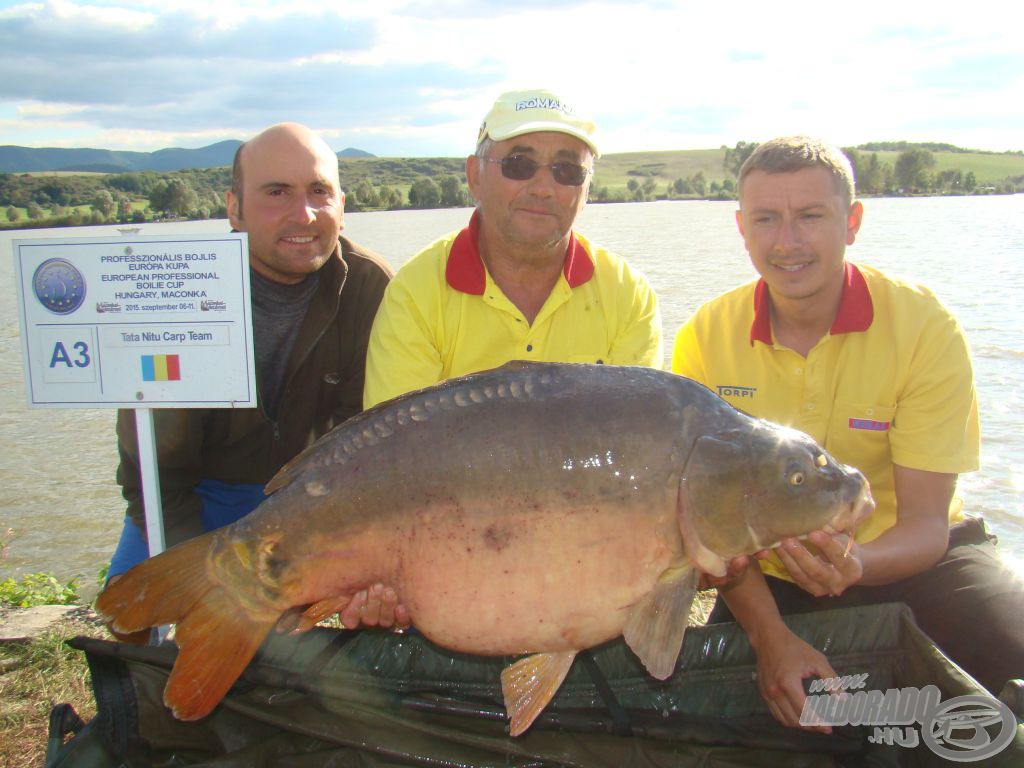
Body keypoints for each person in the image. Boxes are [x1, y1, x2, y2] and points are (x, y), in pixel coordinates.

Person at [672, 135, 1024, 731]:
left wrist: (858, 564)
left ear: (852, 221)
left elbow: (926, 525)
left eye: (810, 216)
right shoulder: (707, 335)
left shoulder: (923, 327)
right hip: (769, 576)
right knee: (736, 718)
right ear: (741, 227)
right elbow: (711, 528)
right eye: (767, 219)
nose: (787, 242)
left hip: (915, 558)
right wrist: (770, 637)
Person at [109, 122, 398, 629]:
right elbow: (155, 469)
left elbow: (377, 449)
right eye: (276, 193)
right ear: (234, 208)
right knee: (129, 618)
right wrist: (204, 589)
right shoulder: (177, 294)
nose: (303, 214)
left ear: (342, 205)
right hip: (202, 492)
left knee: (290, 641)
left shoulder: (374, 288)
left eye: (319, 192)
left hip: (314, 500)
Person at [362, 87, 662, 409]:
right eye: (519, 165)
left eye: (568, 171)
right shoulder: (415, 294)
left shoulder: (628, 295)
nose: (543, 189)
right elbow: (398, 449)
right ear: (474, 175)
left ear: (587, 188)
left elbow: (639, 437)